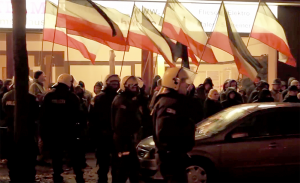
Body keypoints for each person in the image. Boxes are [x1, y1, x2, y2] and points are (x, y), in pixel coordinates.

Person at [152, 67, 195, 183]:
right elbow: (164, 134)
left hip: (175, 157)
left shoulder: (175, 101)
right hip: (171, 159)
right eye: (184, 81)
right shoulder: (169, 104)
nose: (187, 85)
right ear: (174, 82)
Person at [40, 74, 85, 183]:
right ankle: (79, 176)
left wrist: (43, 133)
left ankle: (57, 175)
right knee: (75, 156)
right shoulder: (72, 97)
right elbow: (79, 114)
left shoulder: (48, 96)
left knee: (56, 155)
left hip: (54, 131)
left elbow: (43, 116)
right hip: (70, 131)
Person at [2, 78, 39, 183]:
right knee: (28, 159)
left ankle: (14, 178)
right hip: (27, 133)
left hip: (11, 132)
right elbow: (35, 115)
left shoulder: (6, 96)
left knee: (13, 158)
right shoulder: (31, 98)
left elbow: (3, 111)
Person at [89, 74, 120, 183]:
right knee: (104, 164)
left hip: (115, 135)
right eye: (113, 82)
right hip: (103, 135)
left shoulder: (120, 97)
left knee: (115, 164)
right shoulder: (99, 98)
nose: (115, 84)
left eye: (117, 82)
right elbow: (92, 118)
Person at [111, 76, 142, 183]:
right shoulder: (122, 101)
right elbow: (120, 124)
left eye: (136, 85)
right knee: (124, 168)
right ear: (126, 86)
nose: (135, 88)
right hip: (123, 140)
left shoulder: (128, 99)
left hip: (127, 139)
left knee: (132, 168)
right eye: (133, 86)